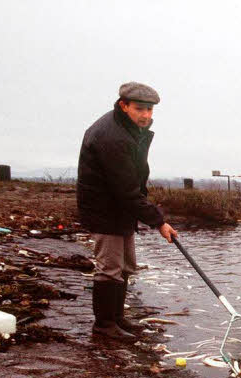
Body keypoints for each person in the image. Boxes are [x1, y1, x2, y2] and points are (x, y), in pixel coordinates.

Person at [76, 81, 178, 340]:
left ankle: (118, 319)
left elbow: (132, 183)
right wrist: (159, 222)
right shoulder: (112, 137)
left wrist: (149, 215)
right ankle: (104, 326)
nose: (146, 115)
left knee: (125, 266)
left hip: (122, 208)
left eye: (150, 110)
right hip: (105, 209)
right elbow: (125, 190)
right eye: (140, 109)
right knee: (109, 268)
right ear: (124, 106)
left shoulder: (130, 129)